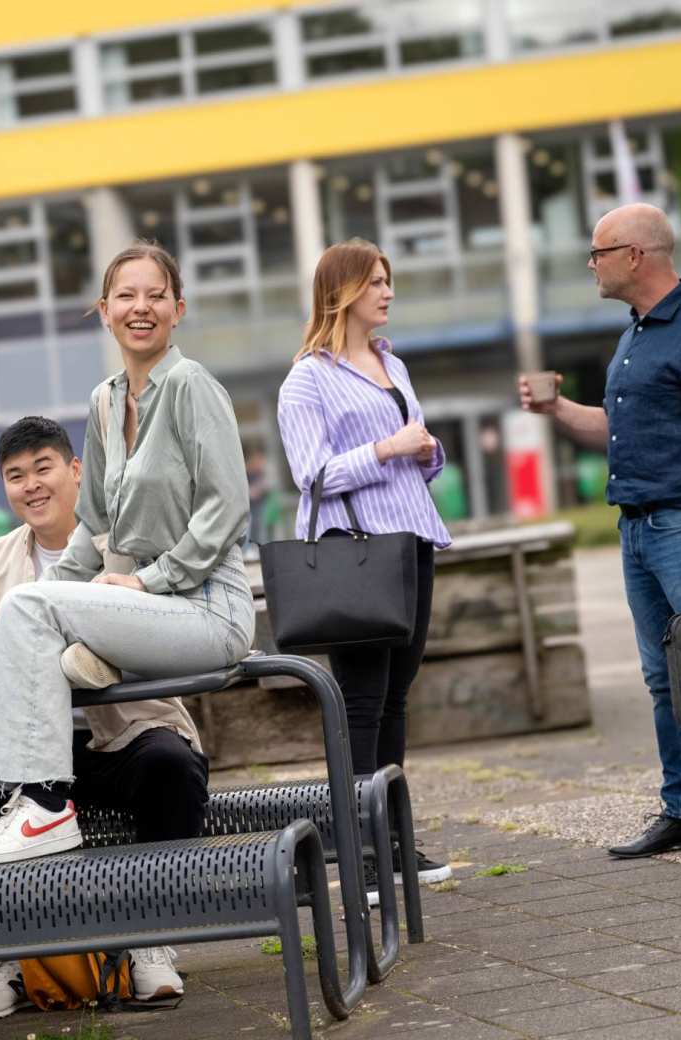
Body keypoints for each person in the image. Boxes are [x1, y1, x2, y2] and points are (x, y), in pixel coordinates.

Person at [0, 240, 253, 996]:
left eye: (156, 295)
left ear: (178, 309)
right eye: (126, 295)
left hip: (205, 606)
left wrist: (151, 580)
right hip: (143, 604)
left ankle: (45, 805)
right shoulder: (104, 402)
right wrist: (17, 613)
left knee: (34, 607)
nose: (140, 307)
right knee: (25, 606)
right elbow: (91, 527)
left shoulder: (192, 388)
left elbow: (227, 506)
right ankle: (41, 812)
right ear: (104, 310)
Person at [0, 414, 212, 1019]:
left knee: (170, 765)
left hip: (128, 732)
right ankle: (11, 957)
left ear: (77, 471)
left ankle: (152, 940)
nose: (31, 485)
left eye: (43, 468)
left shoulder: (126, 546)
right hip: (37, 754)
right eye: (15, 475)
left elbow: (172, 631)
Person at [519, 202, 681, 859]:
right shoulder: (636, 335)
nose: (591, 265)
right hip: (638, 527)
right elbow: (616, 431)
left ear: (635, 256)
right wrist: (556, 407)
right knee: (666, 679)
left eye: (598, 252)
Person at [276, 238, 453, 894]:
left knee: (396, 698)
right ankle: (361, 852)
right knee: (361, 702)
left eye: (389, 281)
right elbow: (311, 474)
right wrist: (386, 447)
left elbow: (417, 452)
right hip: (355, 552)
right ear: (343, 291)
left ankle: (395, 841)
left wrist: (426, 449)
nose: (387, 292)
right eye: (376, 281)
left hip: (412, 544)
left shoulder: (391, 363)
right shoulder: (307, 378)